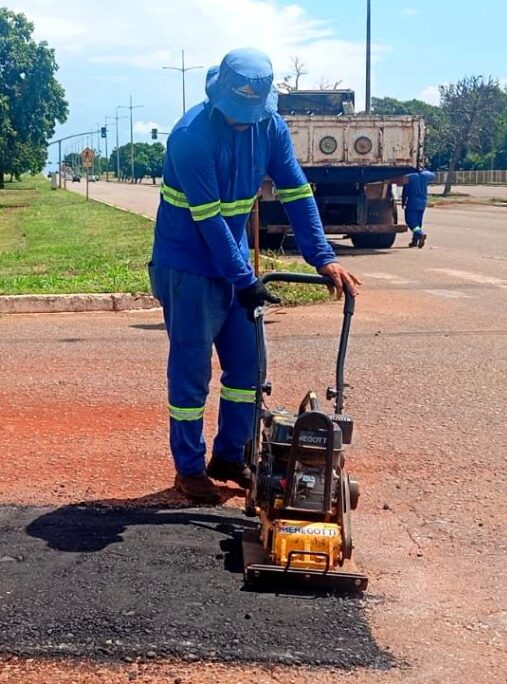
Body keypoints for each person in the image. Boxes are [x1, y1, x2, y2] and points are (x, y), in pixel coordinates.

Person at [148, 48, 361, 504]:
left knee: (247, 369)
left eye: (250, 112)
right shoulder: (190, 138)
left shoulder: (270, 127)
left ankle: (230, 456)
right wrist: (245, 281)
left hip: (233, 261)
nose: (242, 121)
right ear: (218, 95)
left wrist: (322, 257)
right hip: (186, 264)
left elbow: (297, 192)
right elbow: (209, 221)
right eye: (234, 112)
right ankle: (188, 468)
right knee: (190, 374)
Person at [401, 169, 436, 248]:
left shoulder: (409, 176)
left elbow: (405, 191)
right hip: (422, 203)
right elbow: (433, 175)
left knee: (410, 221)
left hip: (412, 203)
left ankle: (420, 235)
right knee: (418, 223)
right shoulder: (425, 175)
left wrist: (403, 202)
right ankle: (414, 241)